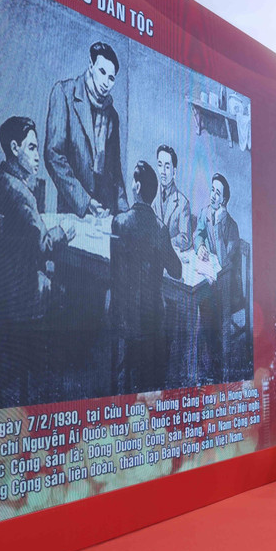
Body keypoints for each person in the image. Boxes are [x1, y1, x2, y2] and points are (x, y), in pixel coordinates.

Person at [0, 117, 76, 398]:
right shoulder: (20, 193)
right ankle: (48, 372)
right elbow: (43, 245)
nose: (37, 155)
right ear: (14, 148)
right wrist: (63, 233)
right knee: (68, 289)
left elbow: (18, 239)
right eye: (31, 148)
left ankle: (14, 355)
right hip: (17, 296)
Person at [110, 161, 182, 394]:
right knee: (172, 316)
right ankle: (156, 387)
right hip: (149, 318)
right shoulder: (160, 228)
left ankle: (122, 381)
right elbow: (177, 271)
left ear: (137, 187)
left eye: (133, 181)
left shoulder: (119, 222)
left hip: (120, 313)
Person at [45, 42, 128, 217]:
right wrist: (85, 201)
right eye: (102, 72)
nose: (106, 82)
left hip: (106, 212)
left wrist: (124, 213)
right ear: (91, 65)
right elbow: (53, 155)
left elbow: (115, 171)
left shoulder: (112, 115)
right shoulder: (64, 93)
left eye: (111, 78)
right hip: (74, 209)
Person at [194, 173, 242, 382]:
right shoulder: (205, 213)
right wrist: (201, 247)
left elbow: (223, 261)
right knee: (203, 302)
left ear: (224, 200)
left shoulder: (232, 226)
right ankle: (206, 362)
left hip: (229, 288)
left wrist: (218, 224)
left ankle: (213, 365)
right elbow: (198, 234)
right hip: (210, 280)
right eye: (212, 190)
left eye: (217, 193)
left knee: (207, 309)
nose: (213, 195)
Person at [152, 145, 192, 250]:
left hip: (171, 256)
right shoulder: (151, 194)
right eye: (160, 165)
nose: (163, 172)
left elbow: (186, 238)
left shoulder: (183, 203)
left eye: (167, 167)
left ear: (174, 172)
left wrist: (165, 243)